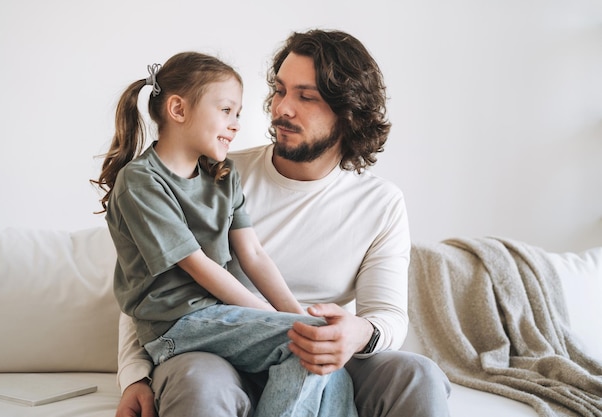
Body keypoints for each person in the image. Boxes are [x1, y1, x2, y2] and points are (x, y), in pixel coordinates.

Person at [115, 30, 452, 417]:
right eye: (279, 90)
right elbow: (145, 282)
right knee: (200, 384)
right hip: (217, 347)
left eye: (305, 97)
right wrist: (135, 376)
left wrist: (356, 333)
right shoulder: (215, 171)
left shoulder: (382, 203)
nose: (281, 109)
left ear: (348, 113)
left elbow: (388, 315)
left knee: (418, 375)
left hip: (304, 340)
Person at [92, 51, 359, 417]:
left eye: (238, 113)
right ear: (178, 110)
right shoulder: (140, 182)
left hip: (216, 319)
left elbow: (254, 255)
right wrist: (279, 319)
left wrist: (295, 315)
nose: (235, 124)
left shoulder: (223, 175)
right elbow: (197, 265)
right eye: (226, 110)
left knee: (327, 356)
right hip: (174, 327)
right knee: (305, 343)